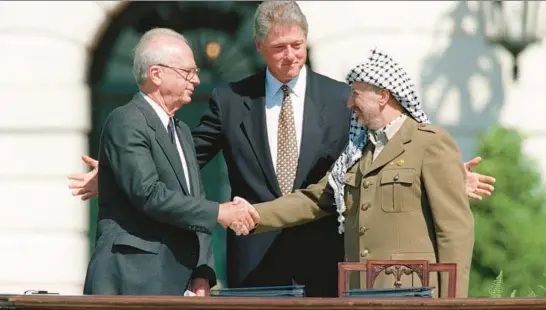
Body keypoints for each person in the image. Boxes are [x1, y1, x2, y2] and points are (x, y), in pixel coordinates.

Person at [69, 1, 495, 297]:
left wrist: (451, 175)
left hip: (328, 262)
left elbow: (385, 155)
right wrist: (116, 173)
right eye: (279, 48)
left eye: (297, 45)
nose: (291, 56)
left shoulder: (338, 98)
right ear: (260, 48)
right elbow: (182, 160)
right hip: (255, 265)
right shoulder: (231, 99)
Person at [233, 48, 477, 298]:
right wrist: (253, 215)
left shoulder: (429, 143)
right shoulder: (357, 152)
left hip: (413, 295)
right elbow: (315, 199)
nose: (349, 104)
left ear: (383, 96)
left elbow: (455, 230)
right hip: (359, 294)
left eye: (356, 95)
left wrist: (453, 303)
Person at [83, 28, 258, 296]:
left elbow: (194, 198)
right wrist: (220, 212)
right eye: (188, 72)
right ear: (156, 74)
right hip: (131, 281)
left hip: (178, 285)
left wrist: (203, 271)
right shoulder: (126, 120)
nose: (197, 80)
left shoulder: (182, 131)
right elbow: (149, 194)